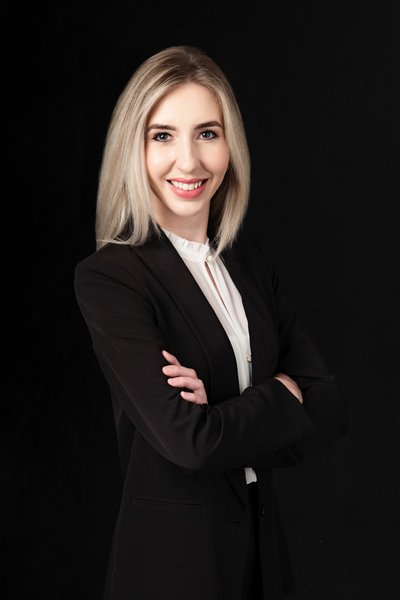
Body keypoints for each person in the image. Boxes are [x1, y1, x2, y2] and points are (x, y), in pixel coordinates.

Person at [74, 45, 347, 600]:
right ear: (135, 147)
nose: (189, 162)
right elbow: (189, 443)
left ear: (230, 146)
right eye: (163, 135)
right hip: (173, 571)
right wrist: (279, 395)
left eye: (207, 133)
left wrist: (222, 412)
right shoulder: (112, 278)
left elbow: (330, 406)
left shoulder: (249, 266)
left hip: (263, 562)